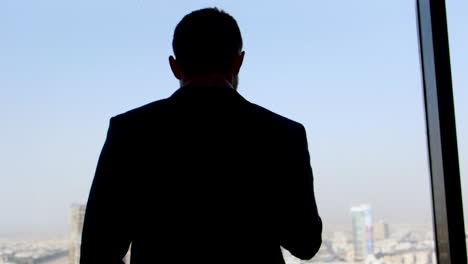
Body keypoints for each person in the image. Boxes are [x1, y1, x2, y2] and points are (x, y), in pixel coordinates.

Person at [80, 7, 322, 264]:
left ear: (174, 66)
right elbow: (305, 244)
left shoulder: (130, 131)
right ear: (238, 62)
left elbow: (98, 252)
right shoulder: (283, 135)